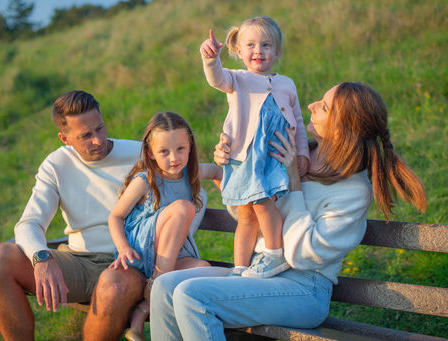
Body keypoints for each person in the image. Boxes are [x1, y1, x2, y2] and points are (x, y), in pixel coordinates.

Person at [149, 82, 427, 340]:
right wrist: (234, 164)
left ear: (342, 128)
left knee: (192, 296)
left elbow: (302, 255)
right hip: (260, 271)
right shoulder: (295, 152)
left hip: (304, 290)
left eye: (325, 106)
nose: (311, 106)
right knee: (164, 288)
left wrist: (294, 184)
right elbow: (248, 215)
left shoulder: (353, 191)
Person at [0, 90, 206, 341]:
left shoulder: (143, 153)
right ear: (65, 138)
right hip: (78, 262)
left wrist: (164, 250)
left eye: (100, 128)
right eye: (85, 135)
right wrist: (41, 258)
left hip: (131, 264)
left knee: (112, 284)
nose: (98, 140)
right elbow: (30, 221)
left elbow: (192, 192)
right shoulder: (56, 164)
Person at [200, 16, 310, 278]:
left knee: (261, 203)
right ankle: (239, 266)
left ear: (277, 51)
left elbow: (299, 124)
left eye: (266, 45)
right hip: (243, 156)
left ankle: (274, 253)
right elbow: (216, 78)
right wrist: (211, 59)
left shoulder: (287, 84)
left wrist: (303, 152)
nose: (258, 51)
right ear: (238, 51)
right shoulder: (236, 79)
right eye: (250, 45)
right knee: (245, 213)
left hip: (272, 156)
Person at [109, 112, 221, 341]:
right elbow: (116, 217)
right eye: (164, 151)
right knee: (183, 208)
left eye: (181, 148)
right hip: (141, 249)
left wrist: (235, 206)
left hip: (169, 256)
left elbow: (219, 171)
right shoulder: (145, 180)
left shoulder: (191, 173)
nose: (174, 158)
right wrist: (122, 247)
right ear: (150, 153)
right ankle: (155, 286)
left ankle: (142, 316)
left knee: (202, 269)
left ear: (190, 147)